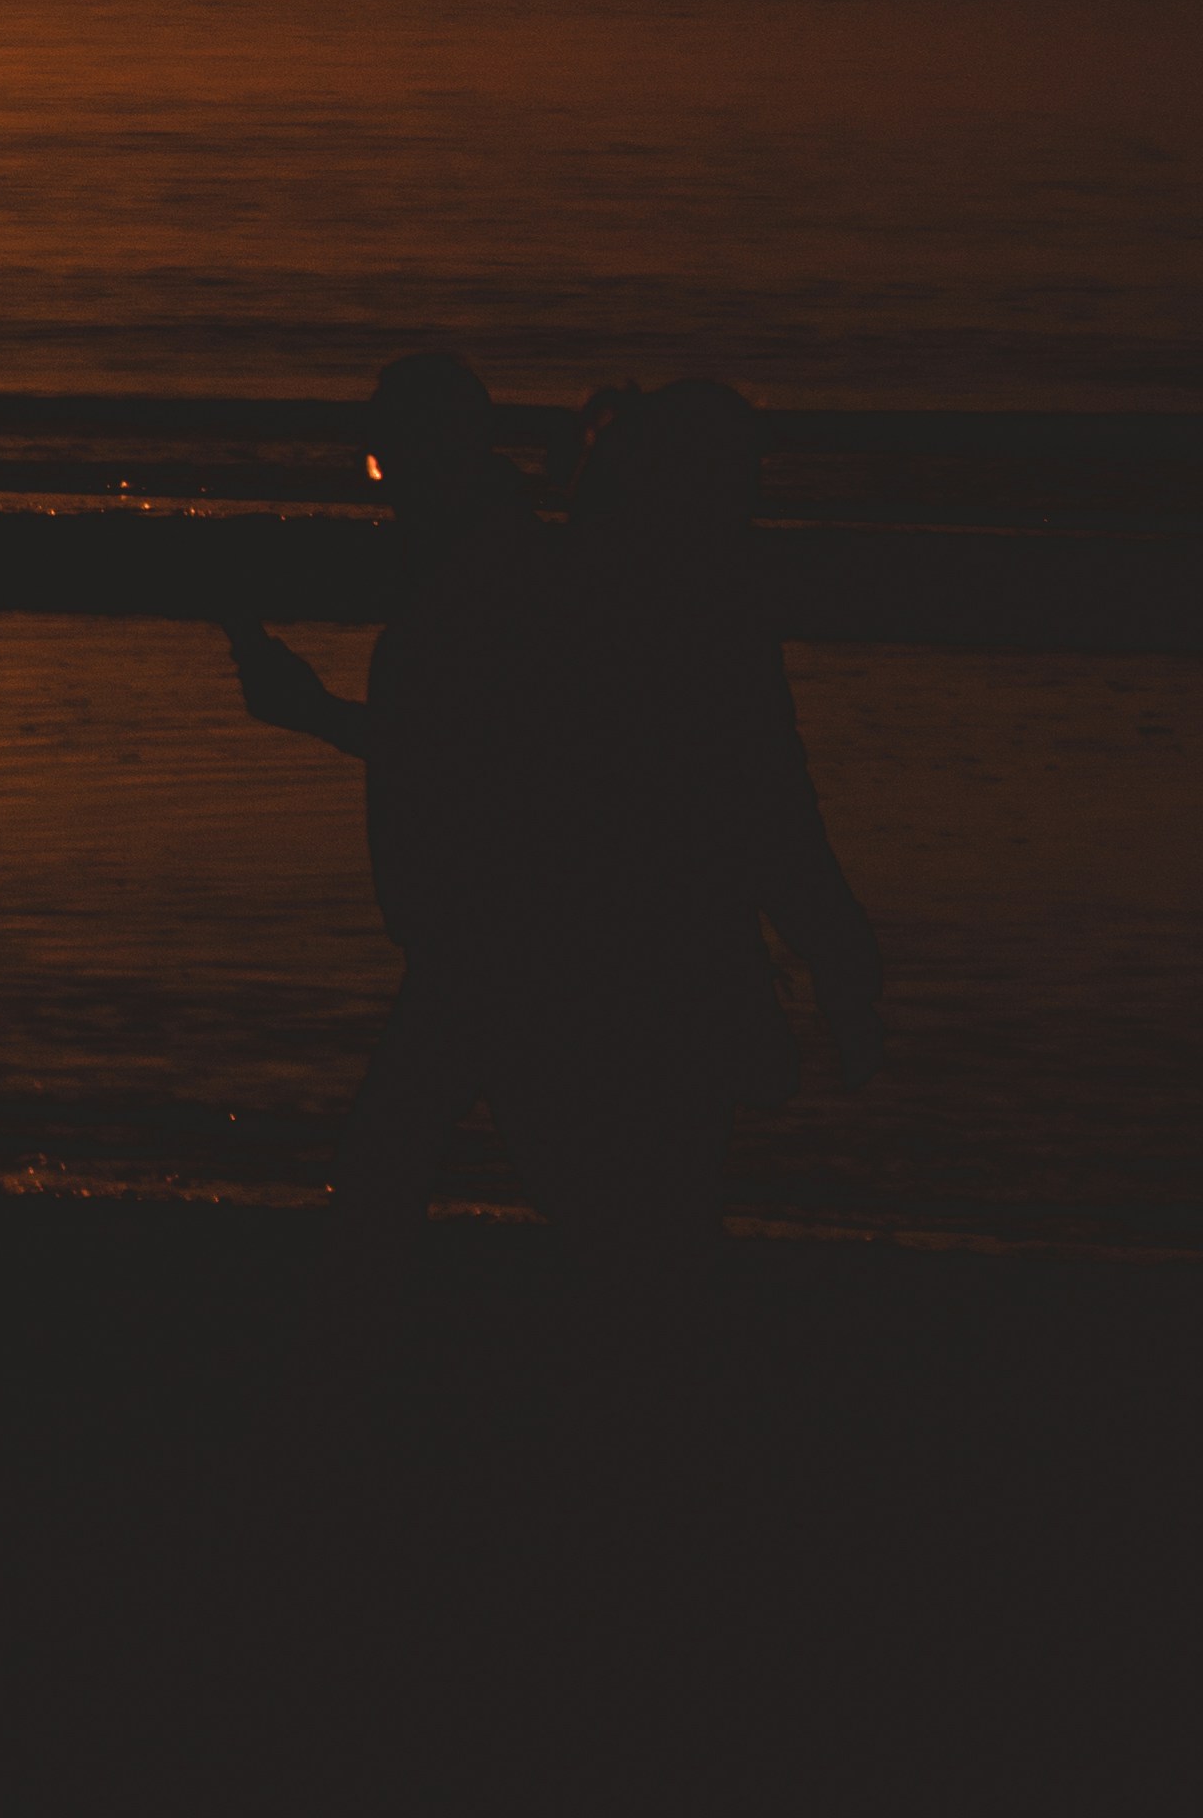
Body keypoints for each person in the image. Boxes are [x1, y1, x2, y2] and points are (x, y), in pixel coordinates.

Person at [225, 346, 566, 1303]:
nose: (382, 490)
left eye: (387, 465)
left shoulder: (491, 580)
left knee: (417, 1161)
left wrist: (312, 713)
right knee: (472, 1160)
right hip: (482, 927)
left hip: (496, 929)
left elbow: (459, 752)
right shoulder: (493, 563)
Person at [534, 377, 882, 1306]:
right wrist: (835, 942)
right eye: (740, 473)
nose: (753, 491)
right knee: (672, 1166)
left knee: (623, 1169)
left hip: (577, 916)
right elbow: (765, 785)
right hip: (668, 918)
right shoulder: (704, 602)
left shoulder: (568, 580)